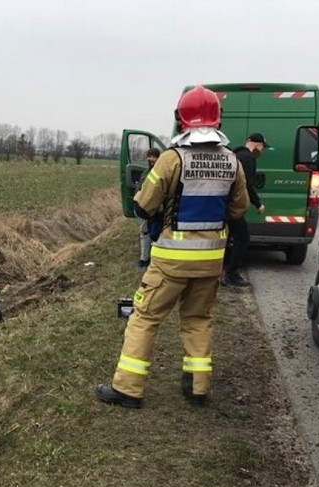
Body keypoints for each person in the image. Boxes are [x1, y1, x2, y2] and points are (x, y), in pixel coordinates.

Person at [95, 86, 248, 409]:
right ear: (217, 120)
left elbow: (143, 205)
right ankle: (197, 387)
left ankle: (128, 388)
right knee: (198, 320)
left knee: (144, 318)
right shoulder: (233, 162)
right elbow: (237, 210)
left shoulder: (171, 159)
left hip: (170, 263)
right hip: (211, 262)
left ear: (182, 119)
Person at [222, 132, 268, 287]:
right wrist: (258, 203)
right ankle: (231, 274)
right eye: (262, 148)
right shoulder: (248, 159)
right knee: (242, 238)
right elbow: (246, 184)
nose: (261, 152)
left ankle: (218, 272)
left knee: (226, 238)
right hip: (233, 206)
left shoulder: (234, 155)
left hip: (223, 204)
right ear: (257, 145)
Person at [136, 147, 162, 269]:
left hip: (156, 207)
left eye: (154, 156)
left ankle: (154, 259)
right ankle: (144, 259)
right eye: (149, 156)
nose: (151, 159)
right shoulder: (146, 172)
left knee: (156, 233)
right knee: (144, 232)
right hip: (144, 207)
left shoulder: (161, 172)